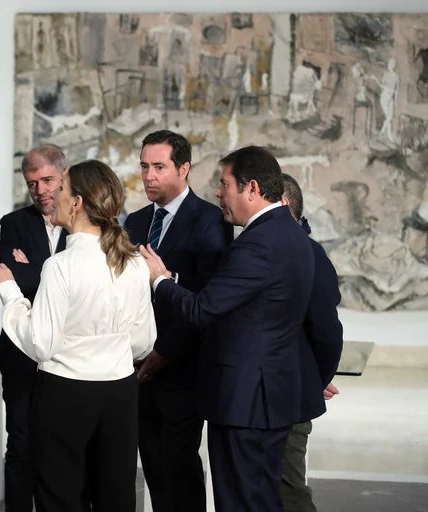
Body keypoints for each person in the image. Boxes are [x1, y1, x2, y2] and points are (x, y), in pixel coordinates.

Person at [140, 145, 315, 512]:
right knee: (261, 499)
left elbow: (203, 309)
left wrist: (161, 280)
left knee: (240, 501)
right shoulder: (291, 233)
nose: (219, 193)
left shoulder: (256, 244)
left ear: (251, 188)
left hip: (245, 403)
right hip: (269, 399)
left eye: (225, 184)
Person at [0, 159, 156, 511]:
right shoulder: (135, 262)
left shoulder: (61, 265)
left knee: (60, 499)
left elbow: (41, 344)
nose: (52, 195)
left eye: (60, 188)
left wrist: (11, 294)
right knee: (117, 498)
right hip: (120, 394)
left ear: (76, 203)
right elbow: (143, 342)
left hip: (65, 396)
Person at [124, 130, 232, 512]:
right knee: (152, 465)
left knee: (180, 468)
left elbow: (206, 301)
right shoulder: (133, 223)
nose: (149, 176)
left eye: (158, 167)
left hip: (183, 369)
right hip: (136, 369)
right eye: (144, 167)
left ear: (183, 168)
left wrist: (163, 354)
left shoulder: (210, 221)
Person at [0, 144, 68, 512]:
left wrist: (28, 270)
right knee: (20, 445)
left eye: (48, 180)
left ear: (64, 176)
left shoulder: (89, 223)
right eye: (32, 182)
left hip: (69, 359)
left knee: (65, 448)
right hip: (21, 357)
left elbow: (81, 291)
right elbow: (10, 285)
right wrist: (32, 277)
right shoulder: (13, 224)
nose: (40, 190)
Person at [279, 173, 344, 512]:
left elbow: (327, 332)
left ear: (283, 204)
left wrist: (314, 378)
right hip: (274, 394)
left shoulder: (309, 256)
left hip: (289, 396)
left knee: (288, 490)